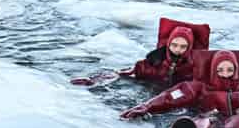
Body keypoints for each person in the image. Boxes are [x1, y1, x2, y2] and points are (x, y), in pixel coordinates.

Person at [72, 19, 211, 88]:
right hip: (151, 92)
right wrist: (94, 79)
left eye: (183, 47)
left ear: (189, 47)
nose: (178, 50)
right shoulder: (153, 62)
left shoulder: (195, 68)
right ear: (168, 44)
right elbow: (125, 72)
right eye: (174, 45)